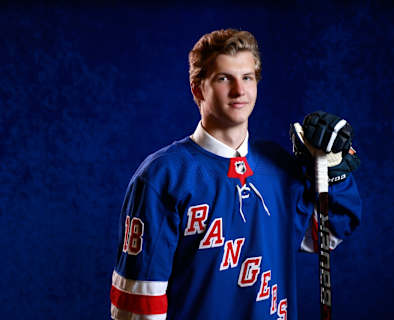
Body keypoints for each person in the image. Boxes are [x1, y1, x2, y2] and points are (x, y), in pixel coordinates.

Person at [110, 29, 361, 320]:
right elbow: (139, 303)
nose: (239, 91)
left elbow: (326, 235)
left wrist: (331, 174)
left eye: (247, 78)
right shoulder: (163, 175)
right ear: (197, 88)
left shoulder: (278, 166)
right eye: (223, 78)